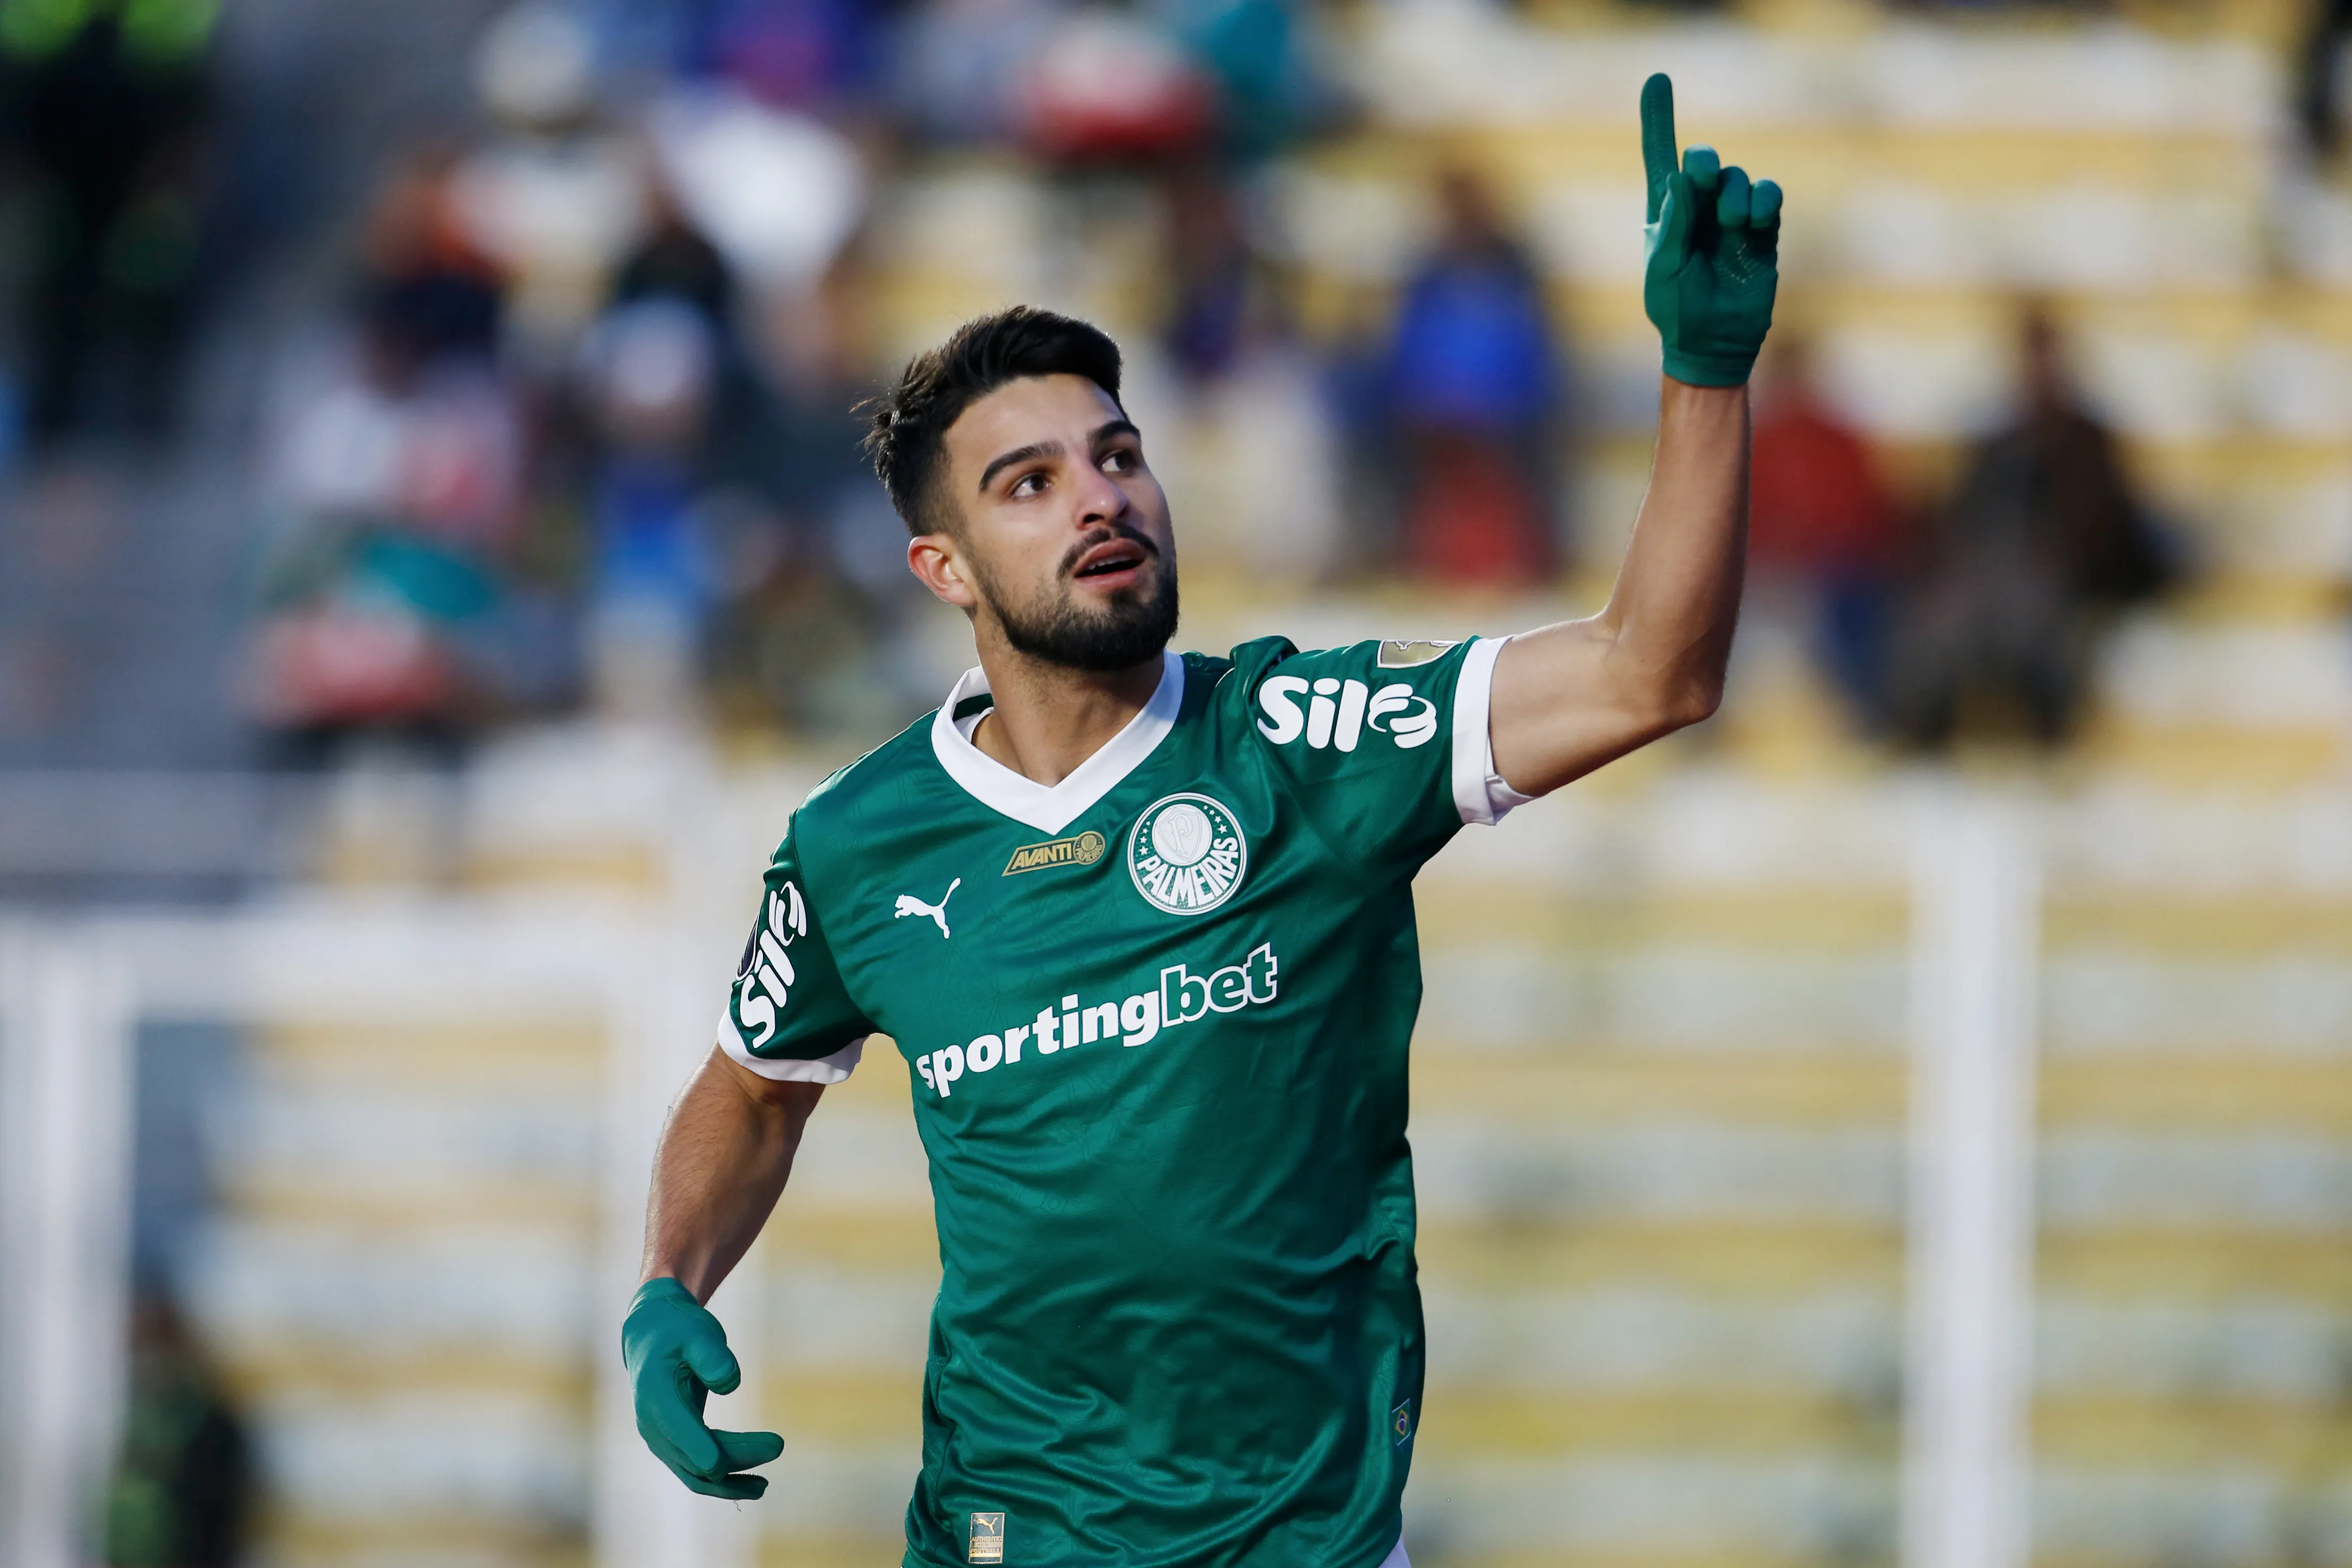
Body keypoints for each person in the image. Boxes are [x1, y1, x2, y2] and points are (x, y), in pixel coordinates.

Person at [621, 75, 1780, 1567]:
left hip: (1300, 1538)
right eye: (1028, 484)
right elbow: (757, 1081)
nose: (1101, 498)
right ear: (944, 569)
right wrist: (669, 1281)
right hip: (1001, 1533)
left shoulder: (1305, 739)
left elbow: (1650, 669)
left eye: (1117, 454)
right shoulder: (862, 840)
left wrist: (1702, 371)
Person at [1887, 306, 2173, 750]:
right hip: (1986, 572)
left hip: (2058, 574)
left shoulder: (2086, 440)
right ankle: (1924, 739)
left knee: (2030, 623)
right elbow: (1960, 515)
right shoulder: (1997, 443)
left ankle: (2050, 733)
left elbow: (2106, 523)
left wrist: (2056, 552)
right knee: (1937, 624)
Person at [1747, 334, 1903, 733]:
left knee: (1861, 618)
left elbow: (1867, 515)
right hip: (1763, 577)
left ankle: (1864, 723)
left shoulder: (1840, 441)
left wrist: (1816, 546)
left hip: (1835, 574)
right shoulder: (1749, 441)